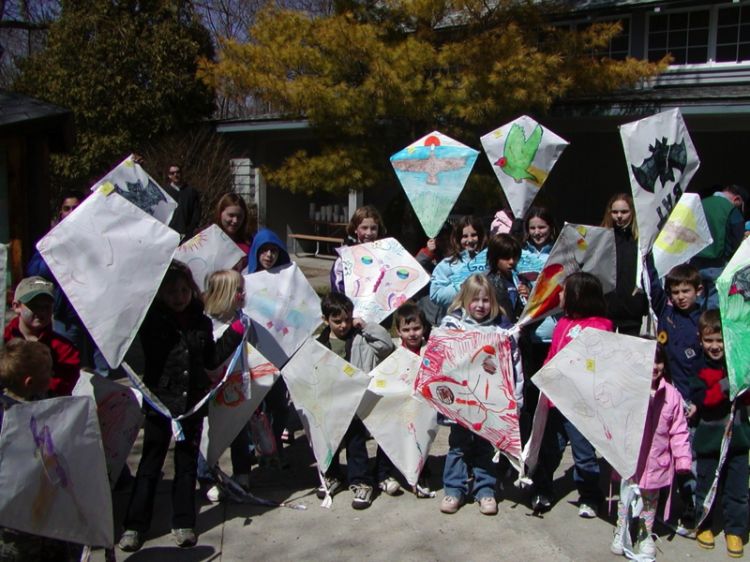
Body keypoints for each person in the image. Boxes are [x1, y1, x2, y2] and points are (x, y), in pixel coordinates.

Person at [118, 263, 244, 552]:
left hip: (191, 404)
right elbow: (136, 358)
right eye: (172, 291)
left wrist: (235, 331)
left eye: (184, 290)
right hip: (160, 404)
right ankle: (134, 525)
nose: (179, 296)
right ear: (161, 293)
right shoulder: (150, 321)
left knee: (186, 465)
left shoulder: (200, 321)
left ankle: (184, 521)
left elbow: (211, 359)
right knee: (150, 464)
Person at [530, 272, 611, 518]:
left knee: (584, 454)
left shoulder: (601, 325)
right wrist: (545, 378)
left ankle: (589, 496)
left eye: (564, 291)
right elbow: (552, 355)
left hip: (582, 404)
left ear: (579, 296)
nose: (560, 295)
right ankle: (542, 489)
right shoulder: (562, 323)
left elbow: (600, 364)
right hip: (555, 400)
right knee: (549, 449)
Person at [438, 274, 514, 517]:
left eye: (485, 300)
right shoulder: (452, 325)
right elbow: (440, 360)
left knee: (485, 446)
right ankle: (454, 488)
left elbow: (514, 365)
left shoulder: (501, 329)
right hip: (460, 401)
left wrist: (517, 397)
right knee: (458, 445)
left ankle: (485, 490)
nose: (480, 305)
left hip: (488, 401)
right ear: (464, 300)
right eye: (475, 300)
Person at [0, 339, 80, 560]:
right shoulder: (9, 420)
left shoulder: (46, 404)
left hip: (53, 514)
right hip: (18, 527)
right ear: (29, 382)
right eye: (48, 371)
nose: (53, 374)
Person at [610, 345, 692, 559]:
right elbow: (614, 420)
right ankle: (622, 529)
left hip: (656, 461)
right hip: (631, 459)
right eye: (648, 362)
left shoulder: (672, 396)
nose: (654, 367)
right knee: (625, 497)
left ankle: (645, 533)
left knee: (649, 502)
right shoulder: (628, 390)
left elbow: (679, 430)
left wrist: (683, 459)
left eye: (658, 362)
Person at [315, 292, 394, 510]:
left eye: (347, 320)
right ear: (325, 320)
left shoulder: (361, 338)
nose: (343, 325)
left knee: (355, 442)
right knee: (329, 442)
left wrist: (366, 326)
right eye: (337, 321)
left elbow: (386, 346)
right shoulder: (320, 343)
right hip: (331, 402)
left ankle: (361, 481)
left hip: (356, 401)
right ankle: (331, 475)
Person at [690, 310, 750, 558]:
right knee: (705, 485)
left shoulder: (737, 364)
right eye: (709, 340)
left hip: (738, 440)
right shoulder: (699, 368)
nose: (715, 346)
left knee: (737, 490)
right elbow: (706, 400)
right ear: (700, 340)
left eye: (720, 340)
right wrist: (728, 384)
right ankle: (703, 524)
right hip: (709, 441)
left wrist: (742, 379)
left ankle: (735, 530)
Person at [199, 269, 254, 502]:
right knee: (206, 434)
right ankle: (206, 476)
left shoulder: (243, 319)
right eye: (238, 290)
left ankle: (242, 471)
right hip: (210, 387)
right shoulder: (206, 321)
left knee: (240, 428)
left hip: (237, 383)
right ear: (225, 293)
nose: (243, 294)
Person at [246, 228, 293, 460]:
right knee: (254, 407)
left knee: (279, 406)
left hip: (281, 352)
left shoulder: (288, 279)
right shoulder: (245, 280)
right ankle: (255, 447)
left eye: (273, 250)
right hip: (254, 353)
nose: (268, 255)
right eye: (263, 250)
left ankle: (274, 444)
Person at [515, 207, 558, 438]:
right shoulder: (520, 255)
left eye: (541, 227)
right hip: (530, 335)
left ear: (551, 228)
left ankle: (552, 438)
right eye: (532, 228)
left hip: (555, 333)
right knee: (530, 393)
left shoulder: (562, 252)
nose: (537, 232)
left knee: (553, 391)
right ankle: (529, 441)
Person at [3, 277, 79, 396]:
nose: (42, 311)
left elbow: (67, 386)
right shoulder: (3, 341)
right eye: (35, 306)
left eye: (47, 306)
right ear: (16, 306)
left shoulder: (65, 349)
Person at [692, 184, 748, 309]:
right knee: (715, 303)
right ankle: (712, 328)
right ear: (737, 200)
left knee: (696, 299)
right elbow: (737, 238)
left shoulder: (699, 203)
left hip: (694, 261)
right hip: (718, 264)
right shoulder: (731, 209)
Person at [600, 193, 648, 335]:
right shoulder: (602, 237)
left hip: (632, 307)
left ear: (633, 212)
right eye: (615, 212)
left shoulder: (640, 240)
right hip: (608, 306)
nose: (619, 216)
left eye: (624, 212)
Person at [429, 216, 488, 311]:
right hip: (459, 318)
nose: (470, 240)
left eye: (474, 235)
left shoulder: (489, 260)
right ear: (458, 238)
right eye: (465, 236)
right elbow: (435, 295)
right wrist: (463, 285)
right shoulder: (447, 264)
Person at [330, 205, 386, 293]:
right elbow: (338, 287)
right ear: (355, 229)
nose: (369, 233)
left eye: (373, 228)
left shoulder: (386, 253)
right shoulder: (345, 257)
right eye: (364, 228)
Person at [486, 233, 526, 324]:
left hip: (518, 333)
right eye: (506, 257)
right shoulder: (486, 282)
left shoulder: (522, 280)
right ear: (495, 257)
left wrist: (529, 298)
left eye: (514, 257)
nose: (511, 261)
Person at [213, 193, 253, 271]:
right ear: (220, 213)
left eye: (239, 216)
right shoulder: (206, 239)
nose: (235, 221)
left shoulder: (250, 242)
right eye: (231, 215)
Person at [163, 164, 202, 240]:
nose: (176, 175)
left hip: (187, 234)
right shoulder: (165, 192)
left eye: (178, 172)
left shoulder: (191, 192)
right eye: (172, 173)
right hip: (169, 233)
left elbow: (196, 213)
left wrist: (190, 230)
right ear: (169, 176)